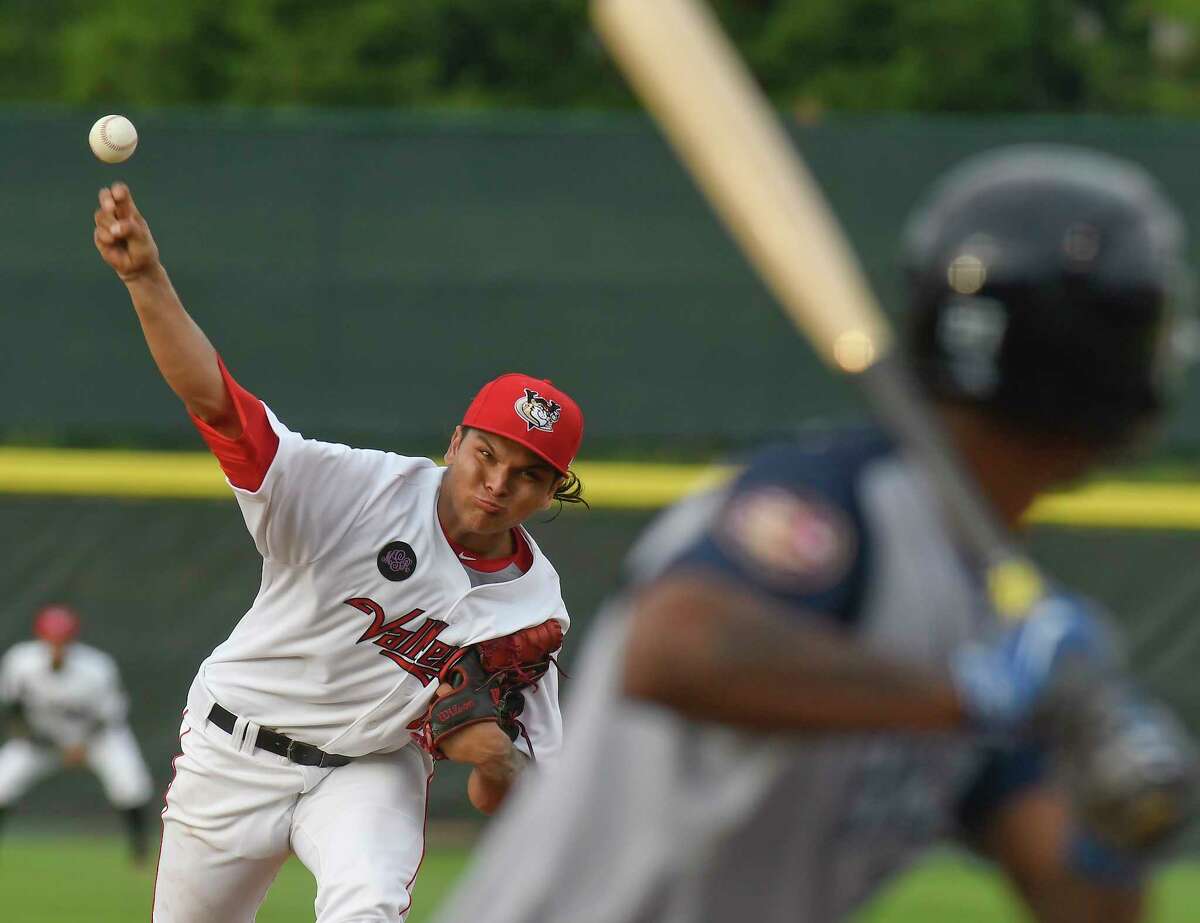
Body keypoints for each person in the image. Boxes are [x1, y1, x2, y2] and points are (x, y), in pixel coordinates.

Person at [432, 145, 1195, 923]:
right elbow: (672, 649)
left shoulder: (1005, 621)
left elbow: (1073, 895)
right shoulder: (840, 502)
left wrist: (1120, 814)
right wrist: (974, 695)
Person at [91, 182, 586, 923]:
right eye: (487, 453)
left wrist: (494, 758)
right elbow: (217, 403)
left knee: (368, 908)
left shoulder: (532, 607)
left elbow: (517, 792)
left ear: (550, 493)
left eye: (528, 475)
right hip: (236, 746)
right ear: (455, 442)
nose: (498, 482)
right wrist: (144, 278)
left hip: (367, 770)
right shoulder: (354, 487)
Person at [0, 604, 154, 864]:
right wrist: (40, 740)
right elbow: (13, 710)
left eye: (62, 639)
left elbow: (110, 715)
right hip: (41, 739)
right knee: (4, 780)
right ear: (40, 637)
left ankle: (139, 852)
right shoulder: (20, 662)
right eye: (51, 639)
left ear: (73, 639)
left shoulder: (97, 667)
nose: (56, 645)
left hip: (95, 739)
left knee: (130, 782)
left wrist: (80, 744)